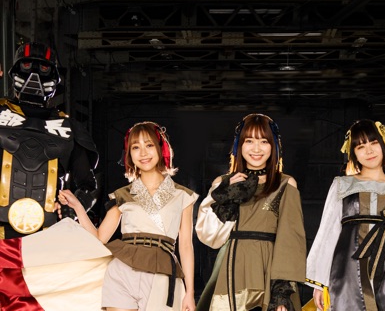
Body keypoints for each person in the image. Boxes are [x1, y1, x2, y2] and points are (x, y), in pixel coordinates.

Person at [58, 120, 198, 311]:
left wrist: (190, 293)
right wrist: (78, 207)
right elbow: (99, 238)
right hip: (122, 271)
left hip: (162, 272)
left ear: (161, 148)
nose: (143, 153)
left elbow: (186, 246)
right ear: (129, 154)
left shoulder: (183, 196)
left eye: (149, 145)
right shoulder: (122, 195)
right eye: (135, 147)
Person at [195, 113, 307, 311]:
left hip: (268, 269)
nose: (256, 148)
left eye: (264, 141)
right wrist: (225, 194)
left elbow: (291, 240)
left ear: (274, 146)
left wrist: (280, 292)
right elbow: (209, 236)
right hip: (231, 267)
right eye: (249, 141)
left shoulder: (285, 184)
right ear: (239, 145)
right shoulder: (223, 183)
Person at [0, 41, 100, 238]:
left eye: (43, 69)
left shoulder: (69, 128)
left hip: (48, 232)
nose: (34, 75)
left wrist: (74, 207)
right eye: (27, 66)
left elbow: (87, 184)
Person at [306, 119, 385, 311]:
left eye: (374, 143)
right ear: (353, 153)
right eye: (360, 146)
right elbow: (328, 232)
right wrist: (320, 284)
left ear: (384, 145)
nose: (369, 151)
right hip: (348, 269)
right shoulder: (342, 185)